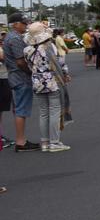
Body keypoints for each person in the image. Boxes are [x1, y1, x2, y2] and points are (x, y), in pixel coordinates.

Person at [24, 21, 70, 152]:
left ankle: (44, 142)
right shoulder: (49, 47)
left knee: (43, 113)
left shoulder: (27, 50)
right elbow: (60, 62)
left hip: (37, 82)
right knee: (54, 111)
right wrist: (65, 74)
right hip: (52, 82)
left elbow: (29, 67)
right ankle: (54, 142)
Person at [4, 13, 39, 152]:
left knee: (19, 109)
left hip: (15, 77)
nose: (25, 25)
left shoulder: (10, 37)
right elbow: (20, 62)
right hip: (20, 77)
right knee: (21, 110)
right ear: (15, 24)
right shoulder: (15, 38)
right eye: (23, 23)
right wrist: (31, 72)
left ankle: (21, 140)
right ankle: (21, 141)